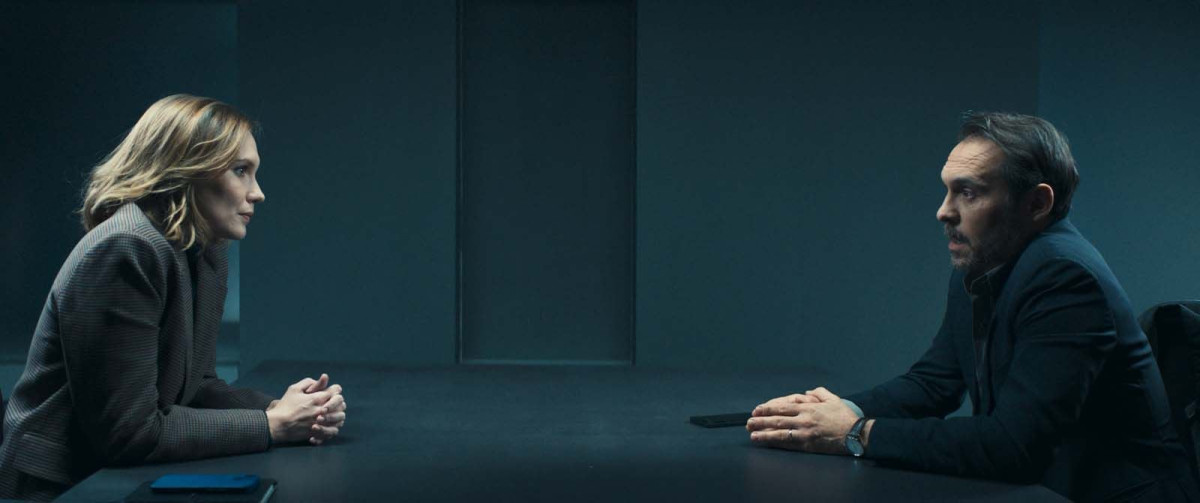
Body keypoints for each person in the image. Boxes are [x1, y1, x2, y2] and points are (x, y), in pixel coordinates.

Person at [746, 112, 1198, 502]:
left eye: (968, 193)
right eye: (947, 191)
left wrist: (854, 433)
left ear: (1037, 203)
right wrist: (825, 413)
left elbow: (1014, 446)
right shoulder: (984, 261)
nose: (944, 211)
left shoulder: (1066, 277)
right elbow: (933, 383)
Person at [0, 94, 349, 501]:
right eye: (240, 171)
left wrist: (283, 410)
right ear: (187, 170)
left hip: (116, 478)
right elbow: (128, 433)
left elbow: (196, 386)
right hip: (57, 488)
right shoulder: (126, 248)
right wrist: (272, 426)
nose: (258, 193)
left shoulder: (205, 250)